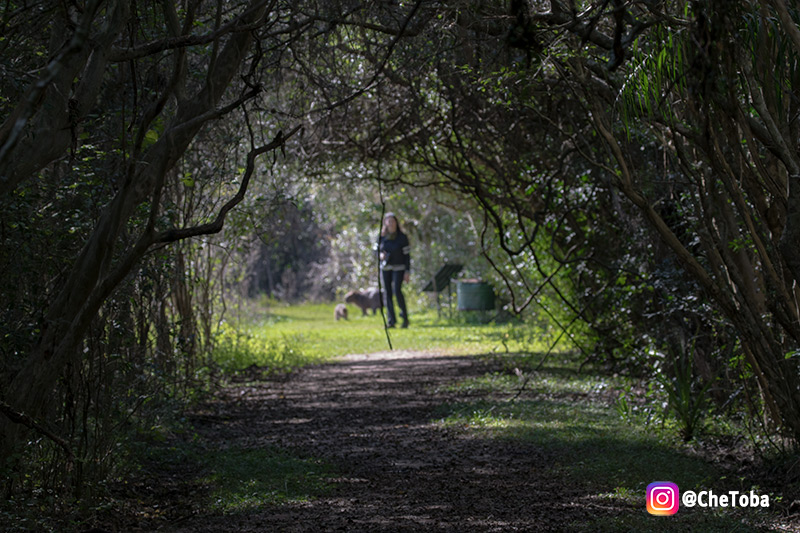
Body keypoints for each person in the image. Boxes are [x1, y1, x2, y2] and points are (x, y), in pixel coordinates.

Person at [378, 212, 410, 328]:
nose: (391, 223)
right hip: (386, 268)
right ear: (385, 223)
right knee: (387, 293)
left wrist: (407, 271)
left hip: (399, 267)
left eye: (393, 221)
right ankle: (391, 321)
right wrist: (381, 256)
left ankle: (405, 318)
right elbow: (376, 251)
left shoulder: (402, 237)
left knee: (397, 291)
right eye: (388, 221)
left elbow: (407, 256)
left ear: (396, 222)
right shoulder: (381, 237)